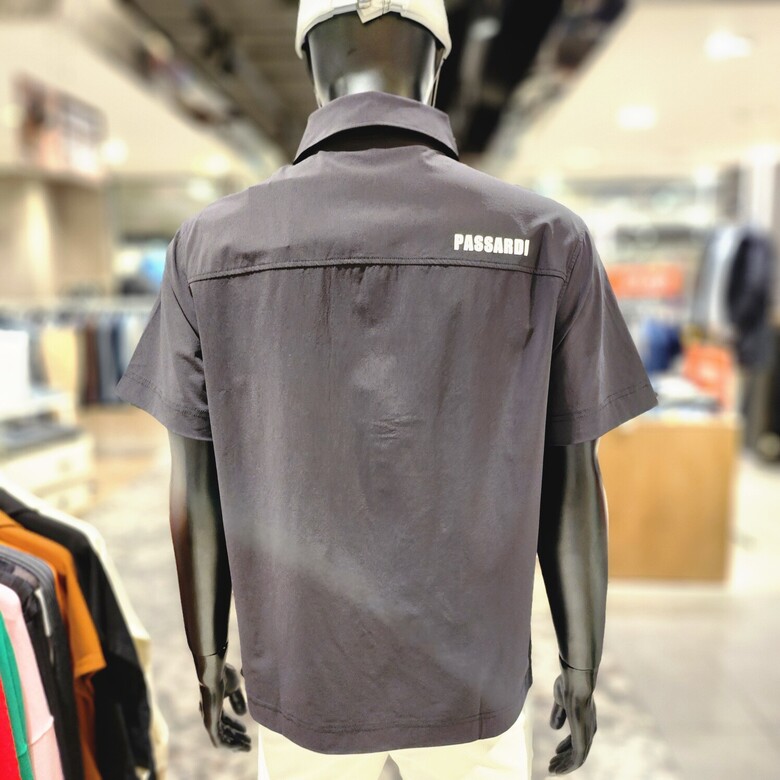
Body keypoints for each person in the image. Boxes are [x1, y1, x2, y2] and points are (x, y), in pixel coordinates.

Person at [116, 1, 658, 777]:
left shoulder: (209, 244)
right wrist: (582, 661)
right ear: (437, 64)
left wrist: (208, 654)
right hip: (471, 676)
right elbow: (573, 473)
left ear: (311, 62)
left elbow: (193, 480)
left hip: (302, 673)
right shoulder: (546, 236)